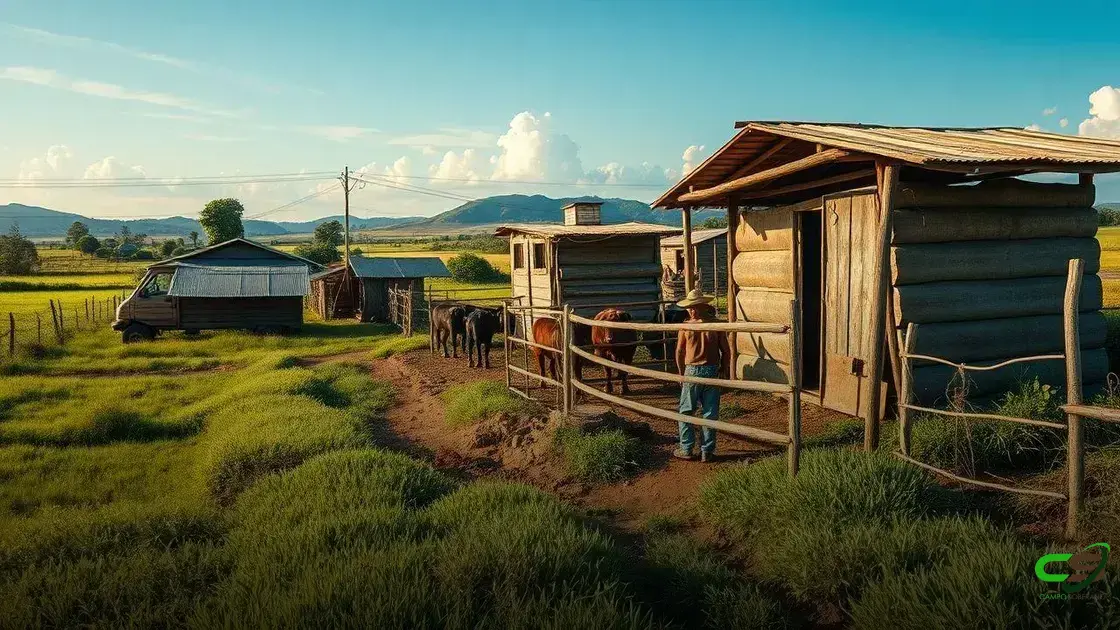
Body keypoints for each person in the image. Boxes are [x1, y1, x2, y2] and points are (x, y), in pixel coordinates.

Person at [673, 288, 731, 463]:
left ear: (702, 306)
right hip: (711, 369)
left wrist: (681, 372)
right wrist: (724, 368)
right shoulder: (715, 325)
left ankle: (686, 448)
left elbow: (680, 351)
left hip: (692, 370)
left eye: (694, 306)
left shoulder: (686, 326)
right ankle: (707, 450)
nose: (692, 310)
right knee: (710, 412)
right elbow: (726, 351)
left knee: (686, 411)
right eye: (691, 307)